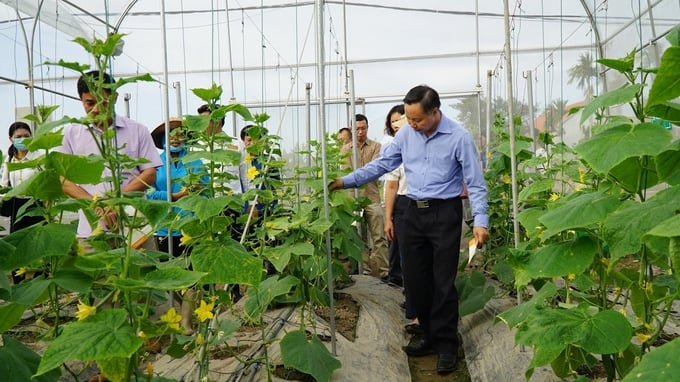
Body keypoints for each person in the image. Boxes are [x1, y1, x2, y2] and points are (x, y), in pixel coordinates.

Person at [329, 85, 489, 375]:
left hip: (445, 213)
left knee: (443, 280)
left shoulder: (459, 137)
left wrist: (480, 221)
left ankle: (446, 345)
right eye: (409, 119)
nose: (411, 124)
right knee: (415, 280)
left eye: (417, 119)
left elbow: (475, 182)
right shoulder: (405, 135)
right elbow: (381, 166)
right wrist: (345, 181)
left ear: (435, 112)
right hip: (413, 212)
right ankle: (427, 333)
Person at [55, 70, 162, 239]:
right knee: (93, 264)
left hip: (133, 226)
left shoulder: (137, 130)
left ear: (115, 98)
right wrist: (96, 206)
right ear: (81, 100)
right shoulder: (70, 133)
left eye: (103, 102)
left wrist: (116, 202)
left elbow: (149, 174)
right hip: (90, 228)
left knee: (137, 263)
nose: (97, 110)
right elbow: (63, 180)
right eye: (90, 103)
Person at [148, 117, 207, 334]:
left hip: (190, 225)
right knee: (169, 276)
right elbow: (147, 193)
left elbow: (207, 191)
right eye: (171, 135)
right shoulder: (154, 163)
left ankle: (186, 323)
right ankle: (181, 311)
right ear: (163, 139)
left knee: (191, 274)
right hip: (165, 226)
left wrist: (199, 191)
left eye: (180, 134)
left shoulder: (195, 162)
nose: (176, 138)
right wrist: (174, 196)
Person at [340, 114, 388, 278]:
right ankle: (364, 271)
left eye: (364, 128)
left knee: (379, 237)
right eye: (357, 129)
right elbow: (346, 171)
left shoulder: (376, 146)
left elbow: (375, 170)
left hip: (371, 197)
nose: (361, 132)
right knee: (358, 238)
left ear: (367, 128)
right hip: (353, 200)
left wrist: (358, 175)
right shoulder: (346, 149)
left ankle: (384, 271)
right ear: (352, 129)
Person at [1, 122, 44, 234]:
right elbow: (4, 185)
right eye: (18, 137)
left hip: (36, 204)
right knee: (17, 241)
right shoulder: (9, 159)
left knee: (38, 240)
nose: (23, 139)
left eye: (26, 136)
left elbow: (47, 181)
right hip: (17, 205)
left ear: (31, 137)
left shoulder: (39, 158)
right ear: (11, 139)